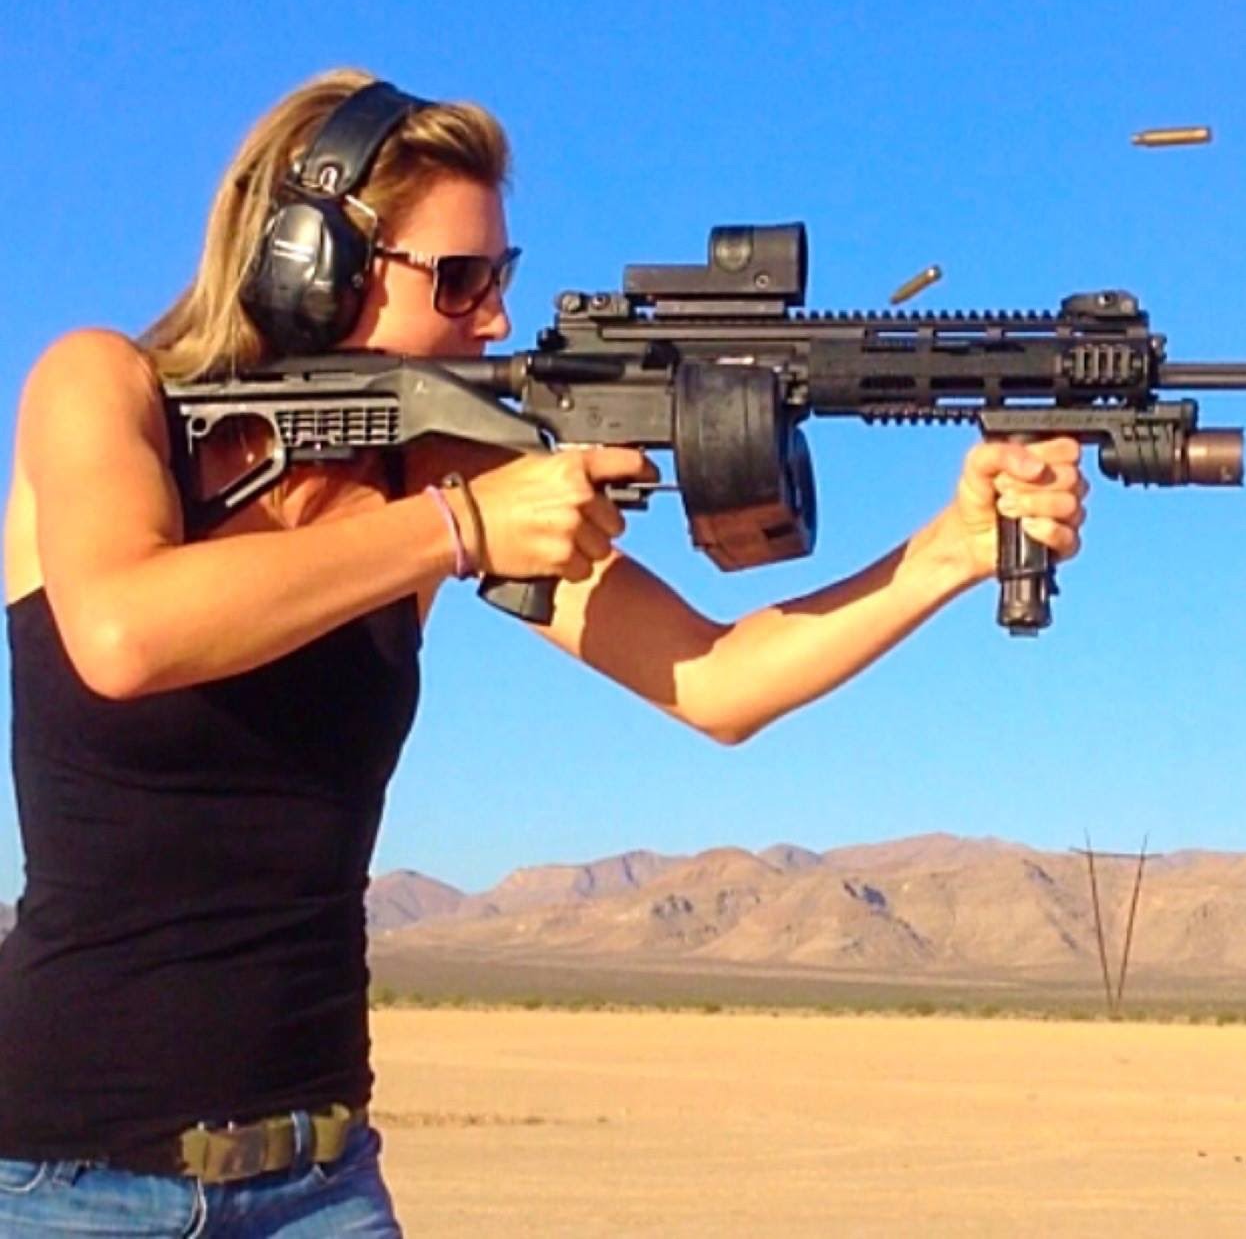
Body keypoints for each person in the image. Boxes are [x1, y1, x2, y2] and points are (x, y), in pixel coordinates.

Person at [0, 69, 1088, 1234]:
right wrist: (458, 530)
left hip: (320, 1184)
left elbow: (716, 684)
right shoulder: (108, 389)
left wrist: (947, 549)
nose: (494, 321)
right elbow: (123, 633)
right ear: (309, 262)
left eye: (500, 276)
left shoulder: (429, 472)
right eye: (459, 279)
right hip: (68, 1183)